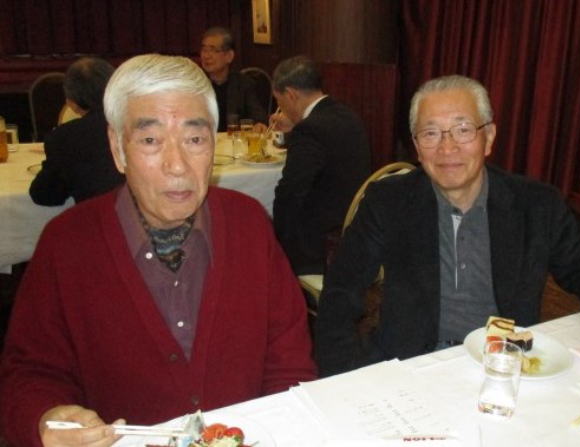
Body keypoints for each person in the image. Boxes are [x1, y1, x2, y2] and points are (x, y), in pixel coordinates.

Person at [0, 54, 316, 447]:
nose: (177, 165)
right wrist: (46, 418)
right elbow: (29, 373)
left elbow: (289, 358)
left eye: (194, 139)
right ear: (118, 149)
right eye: (150, 140)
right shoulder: (67, 244)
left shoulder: (248, 223)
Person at [314, 74, 580, 377]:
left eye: (463, 129)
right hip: (410, 367)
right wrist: (341, 375)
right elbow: (340, 290)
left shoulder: (536, 205)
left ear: (489, 138)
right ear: (417, 146)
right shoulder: (388, 201)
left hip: (504, 365)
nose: (447, 147)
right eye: (431, 133)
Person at [270, 55, 371, 275]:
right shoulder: (346, 114)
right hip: (355, 228)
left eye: (279, 102)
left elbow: (289, 193)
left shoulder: (309, 130)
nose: (281, 109)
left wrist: (275, 240)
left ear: (291, 94)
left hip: (322, 245)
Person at [29, 57, 124, 205]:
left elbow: (46, 196)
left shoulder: (65, 137)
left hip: (99, 217)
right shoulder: (141, 123)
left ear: (72, 103)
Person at [199, 26, 267, 131]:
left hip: (234, 140)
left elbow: (258, 117)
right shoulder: (196, 85)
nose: (206, 56)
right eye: (204, 50)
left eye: (213, 50)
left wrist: (259, 125)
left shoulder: (244, 84)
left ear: (229, 56)